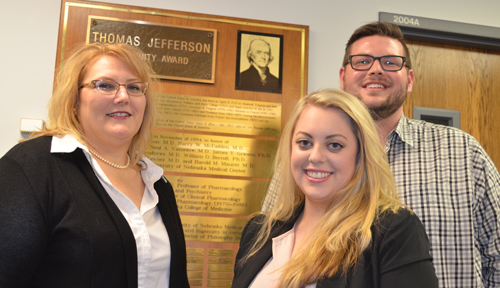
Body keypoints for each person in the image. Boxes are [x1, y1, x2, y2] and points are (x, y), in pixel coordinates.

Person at [263, 21, 500, 288]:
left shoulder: (464, 153)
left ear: (409, 80)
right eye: (362, 61)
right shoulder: (307, 165)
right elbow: (271, 246)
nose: (376, 69)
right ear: (342, 77)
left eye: (390, 62)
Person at [0, 43, 189, 287]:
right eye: (105, 85)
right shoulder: (33, 167)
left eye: (133, 87)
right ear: (75, 101)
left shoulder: (157, 183)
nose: (123, 97)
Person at [234, 89, 438, 288]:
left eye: (334, 145)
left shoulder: (392, 230)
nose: (315, 157)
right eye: (304, 143)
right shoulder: (258, 231)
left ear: (360, 155)